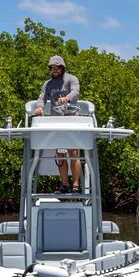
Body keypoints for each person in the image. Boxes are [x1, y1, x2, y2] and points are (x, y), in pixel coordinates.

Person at [34, 55, 82, 194]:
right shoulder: (48, 84)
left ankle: (76, 185)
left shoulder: (71, 79)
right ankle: (64, 185)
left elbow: (76, 91)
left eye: (57, 67)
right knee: (60, 154)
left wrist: (67, 98)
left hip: (72, 120)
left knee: (73, 152)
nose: (54, 69)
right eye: (52, 68)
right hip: (56, 121)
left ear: (62, 67)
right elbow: (42, 97)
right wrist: (39, 107)